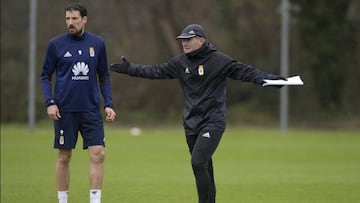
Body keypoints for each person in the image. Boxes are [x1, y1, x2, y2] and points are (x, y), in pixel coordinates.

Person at [110, 24, 286, 203]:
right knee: (204, 166)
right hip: (191, 123)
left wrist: (273, 81)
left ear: (201, 40)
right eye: (182, 40)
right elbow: (156, 71)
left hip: (213, 121)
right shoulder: (180, 63)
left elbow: (247, 73)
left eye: (188, 39)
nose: (184, 43)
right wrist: (131, 69)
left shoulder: (219, 61)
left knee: (198, 162)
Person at [40, 3, 116, 203]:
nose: (70, 23)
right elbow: (45, 76)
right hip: (64, 110)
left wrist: (108, 103)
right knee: (64, 156)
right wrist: (50, 102)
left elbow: (104, 76)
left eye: (74, 19)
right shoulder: (55, 45)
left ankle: (95, 200)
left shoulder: (98, 43)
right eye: (67, 19)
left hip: (91, 109)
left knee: (98, 154)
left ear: (84, 20)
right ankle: (63, 200)